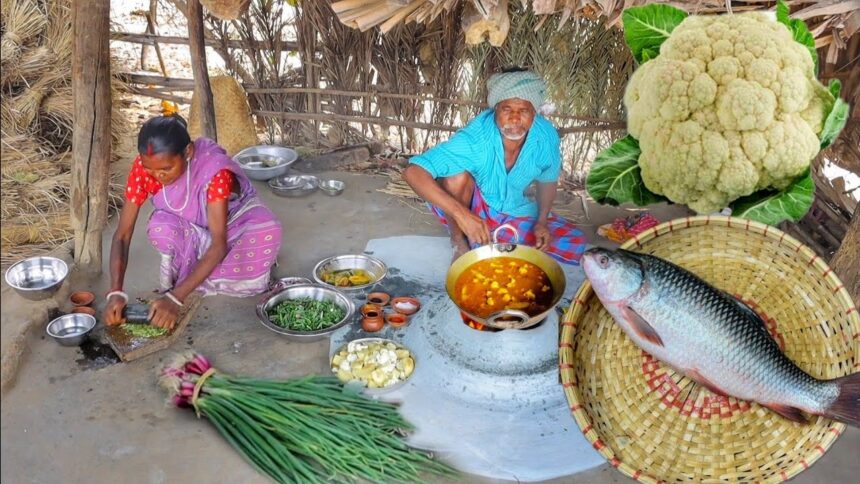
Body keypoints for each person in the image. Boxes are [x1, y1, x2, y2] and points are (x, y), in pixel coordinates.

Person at [104, 115, 282, 329]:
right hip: (190, 229)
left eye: (166, 169)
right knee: (160, 227)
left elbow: (218, 244)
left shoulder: (214, 170)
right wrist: (115, 291)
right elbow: (122, 235)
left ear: (187, 152)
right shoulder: (145, 169)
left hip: (231, 224)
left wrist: (175, 298)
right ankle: (196, 276)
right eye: (150, 169)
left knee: (265, 229)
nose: (157, 176)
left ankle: (191, 280)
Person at [402, 68, 586, 264]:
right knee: (456, 177)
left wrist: (541, 222)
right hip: (472, 203)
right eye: (507, 109)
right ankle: (459, 239)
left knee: (576, 243)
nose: (515, 118)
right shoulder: (476, 138)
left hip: (515, 209)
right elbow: (413, 172)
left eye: (523, 110)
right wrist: (462, 215)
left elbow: (548, 179)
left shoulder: (545, 136)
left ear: (535, 113)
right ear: (496, 109)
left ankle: (488, 235)